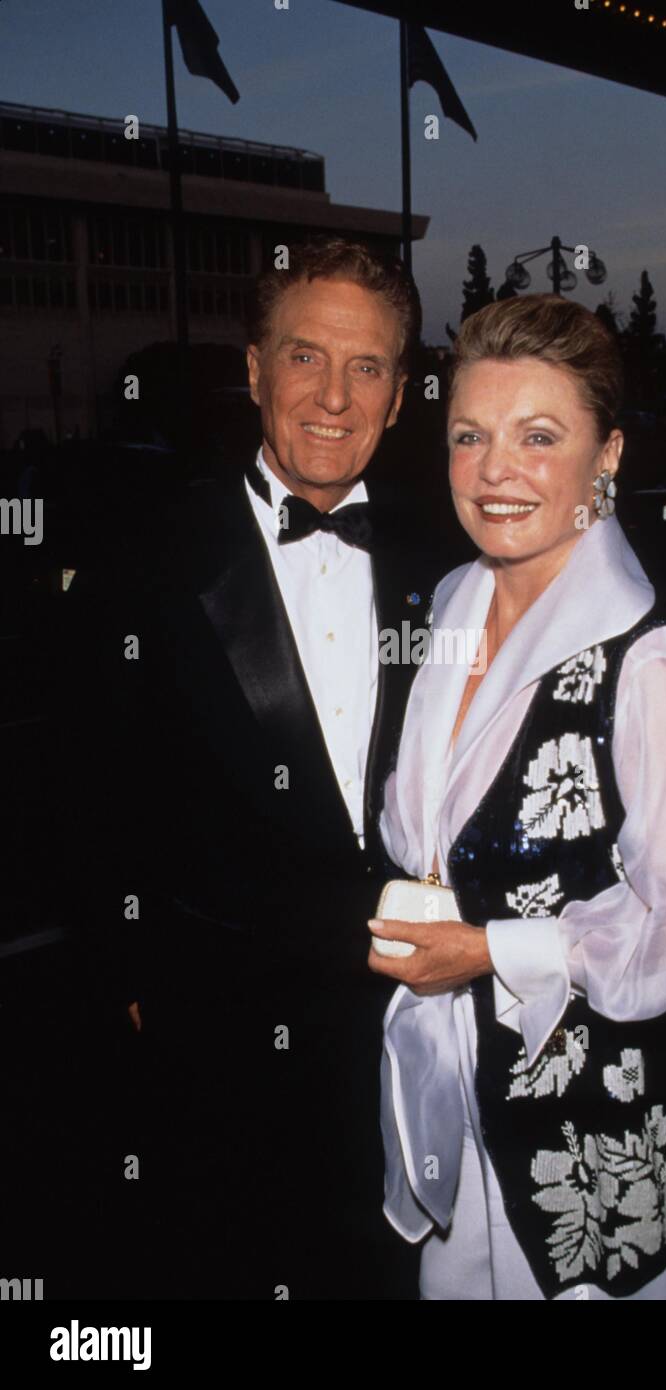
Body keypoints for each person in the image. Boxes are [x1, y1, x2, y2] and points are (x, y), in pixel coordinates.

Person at [369, 295, 666, 1300]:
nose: (496, 468)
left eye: (539, 436)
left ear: (611, 456)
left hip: (602, 1171)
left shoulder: (657, 673)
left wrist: (496, 949)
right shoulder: (455, 600)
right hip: (462, 1113)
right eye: (470, 434)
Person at [64, 237, 445, 1299]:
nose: (334, 395)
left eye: (367, 366)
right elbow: (93, 796)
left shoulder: (443, 564)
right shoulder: (150, 556)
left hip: (410, 1040)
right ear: (253, 369)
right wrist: (137, 991)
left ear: (401, 393)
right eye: (305, 357)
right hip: (220, 1044)